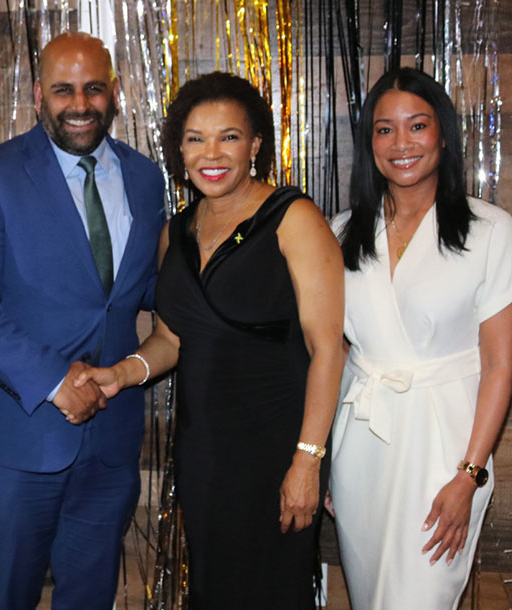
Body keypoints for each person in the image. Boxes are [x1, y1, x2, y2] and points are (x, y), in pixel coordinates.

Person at [75, 71, 344, 608]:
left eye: (229, 136)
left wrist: (307, 461)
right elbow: (173, 338)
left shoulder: (293, 218)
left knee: (272, 592)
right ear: (180, 149)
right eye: (196, 138)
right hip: (205, 452)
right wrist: (119, 374)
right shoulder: (175, 232)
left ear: (255, 145)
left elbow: (328, 350)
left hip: (277, 451)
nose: (211, 153)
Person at [0, 32, 165, 609]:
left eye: (93, 88)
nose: (80, 104)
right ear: (39, 94)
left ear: (116, 92)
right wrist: (55, 381)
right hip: (21, 436)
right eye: (64, 90)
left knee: (89, 599)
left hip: (111, 440)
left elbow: (143, 290)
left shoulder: (144, 177)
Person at [329, 67, 512, 609]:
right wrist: (320, 458)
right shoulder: (339, 232)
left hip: (445, 449)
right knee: (368, 596)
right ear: (370, 143)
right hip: (360, 442)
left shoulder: (489, 230)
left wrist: (469, 476)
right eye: (385, 129)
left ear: (443, 135)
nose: (401, 143)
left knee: (420, 596)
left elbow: (500, 366)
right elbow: (335, 354)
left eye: (417, 125)